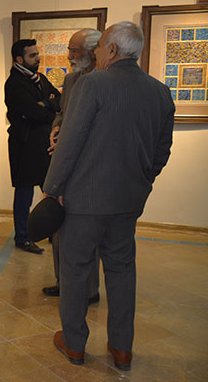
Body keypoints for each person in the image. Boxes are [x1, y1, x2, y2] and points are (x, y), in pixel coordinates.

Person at [43, 22, 174, 371]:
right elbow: (162, 150)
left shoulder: (93, 84)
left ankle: (74, 344)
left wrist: (52, 188)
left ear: (113, 50)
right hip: (128, 202)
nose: (97, 53)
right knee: (121, 271)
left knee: (75, 270)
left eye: (100, 47)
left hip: (84, 202)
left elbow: (70, 142)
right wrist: (142, 181)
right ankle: (122, 348)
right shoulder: (160, 91)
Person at [42, 28, 101, 304]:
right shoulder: (71, 79)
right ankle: (63, 282)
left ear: (93, 52)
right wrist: (56, 128)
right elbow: (62, 113)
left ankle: (88, 290)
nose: (69, 56)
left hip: (88, 169)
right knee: (59, 228)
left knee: (85, 235)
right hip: (64, 165)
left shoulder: (103, 81)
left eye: (74, 51)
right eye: (69, 50)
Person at [5, 39, 60, 253]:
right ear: (20, 59)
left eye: (37, 54)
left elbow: (60, 100)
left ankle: (50, 231)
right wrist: (47, 109)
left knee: (50, 190)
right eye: (32, 55)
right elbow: (33, 112)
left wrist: (45, 103)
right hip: (24, 145)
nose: (38, 58)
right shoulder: (14, 83)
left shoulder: (41, 79)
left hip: (43, 143)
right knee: (24, 193)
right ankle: (22, 237)